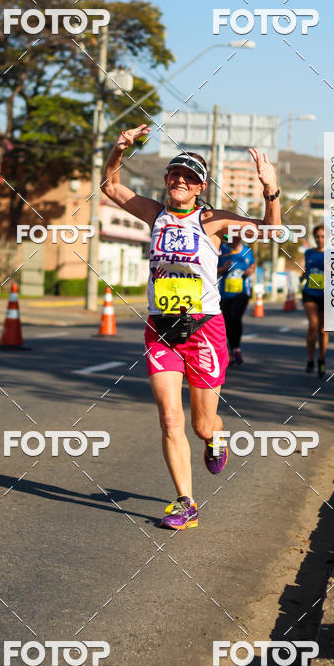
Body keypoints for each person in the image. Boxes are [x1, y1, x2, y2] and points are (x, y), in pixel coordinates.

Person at [101, 123, 281, 531]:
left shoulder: (212, 220)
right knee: (170, 419)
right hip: (161, 328)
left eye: (190, 177)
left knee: (202, 425)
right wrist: (118, 149)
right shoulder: (154, 213)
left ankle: (217, 436)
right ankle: (186, 502)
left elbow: (270, 231)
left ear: (201, 187)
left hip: (204, 331)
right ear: (166, 179)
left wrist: (270, 189)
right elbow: (110, 186)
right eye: (175, 174)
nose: (180, 181)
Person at [218, 231, 256, 366]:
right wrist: (222, 268)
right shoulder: (221, 250)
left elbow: (252, 265)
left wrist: (250, 270)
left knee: (235, 318)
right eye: (231, 237)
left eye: (237, 237)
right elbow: (211, 269)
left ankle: (236, 349)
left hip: (242, 292)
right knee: (227, 322)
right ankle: (232, 349)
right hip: (224, 294)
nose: (234, 239)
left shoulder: (247, 251)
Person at [301, 224, 327, 377]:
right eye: (317, 236)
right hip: (310, 293)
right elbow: (307, 270)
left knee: (323, 330)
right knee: (313, 326)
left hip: (326, 295)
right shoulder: (308, 253)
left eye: (323, 236)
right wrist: (302, 276)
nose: (320, 239)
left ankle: (321, 359)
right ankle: (310, 360)